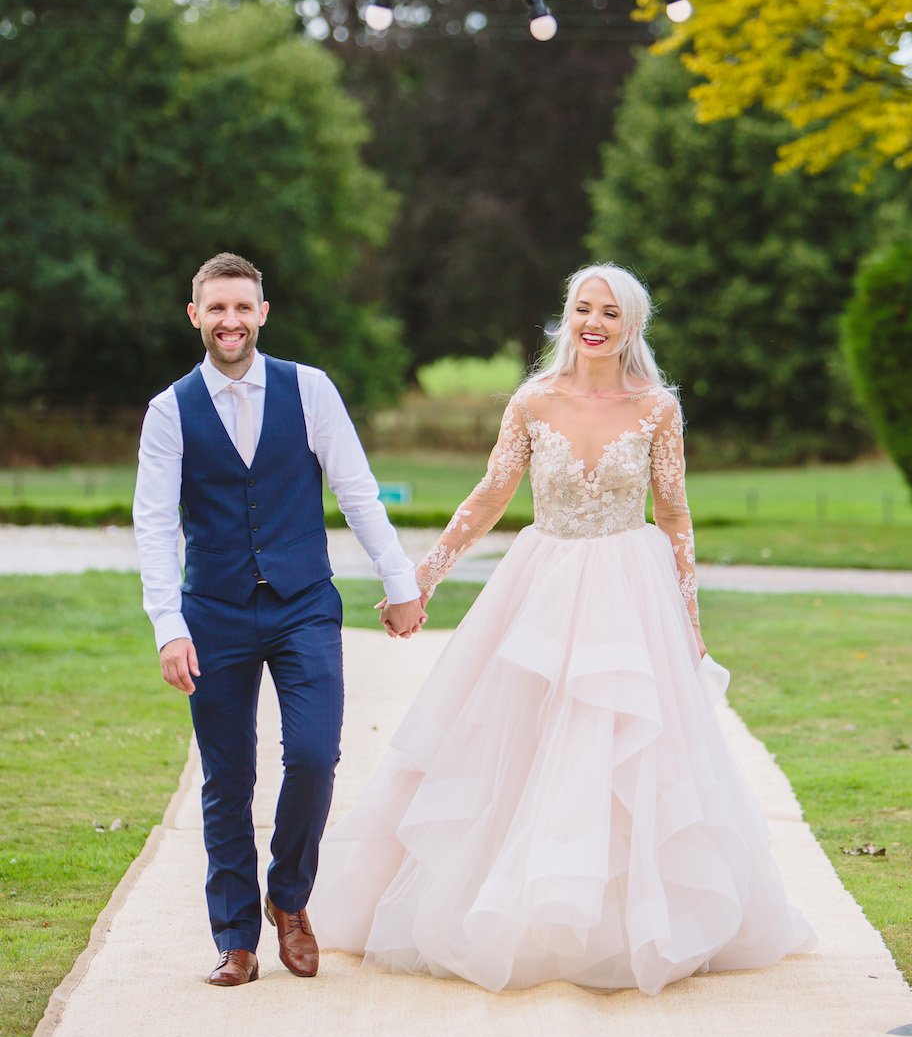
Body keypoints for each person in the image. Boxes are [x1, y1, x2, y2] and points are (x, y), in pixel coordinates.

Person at [311, 263, 816, 994]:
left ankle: (622, 921)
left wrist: (689, 618)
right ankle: (506, 907)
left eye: (611, 312)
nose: (595, 322)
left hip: (630, 588)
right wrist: (419, 578)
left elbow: (673, 514)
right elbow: (490, 495)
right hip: (542, 582)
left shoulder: (658, 409)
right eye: (584, 308)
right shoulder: (533, 401)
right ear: (566, 317)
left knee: (624, 751)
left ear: (631, 326)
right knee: (515, 737)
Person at [133, 252, 424, 988]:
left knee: (316, 756)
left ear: (262, 313)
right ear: (195, 315)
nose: (231, 320)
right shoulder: (170, 411)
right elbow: (151, 523)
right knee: (227, 779)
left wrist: (400, 583)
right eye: (216, 308)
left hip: (303, 609)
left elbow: (357, 491)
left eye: (243, 307)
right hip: (214, 615)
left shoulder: (311, 390)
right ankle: (234, 937)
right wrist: (169, 624)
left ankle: (288, 899)